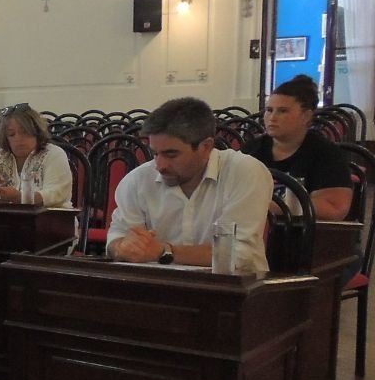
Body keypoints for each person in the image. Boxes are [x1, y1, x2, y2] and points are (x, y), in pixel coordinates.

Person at [106, 97, 272, 273]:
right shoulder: (137, 180)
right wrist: (124, 247)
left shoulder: (244, 172)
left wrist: (164, 251)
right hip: (159, 285)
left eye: (171, 154)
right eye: (155, 153)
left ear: (206, 147)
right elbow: (115, 240)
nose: (160, 165)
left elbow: (238, 253)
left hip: (234, 285)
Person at [248, 75, 353, 221]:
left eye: (283, 111)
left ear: (306, 116)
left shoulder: (326, 154)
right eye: (269, 110)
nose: (272, 117)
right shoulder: (253, 148)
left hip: (303, 231)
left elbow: (334, 209)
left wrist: (263, 205)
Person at [0, 103, 72, 207]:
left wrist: (20, 197)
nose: (18, 139)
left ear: (37, 132)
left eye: (25, 132)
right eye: (11, 134)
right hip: (7, 217)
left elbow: (56, 194)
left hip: (52, 217)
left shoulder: (54, 154)